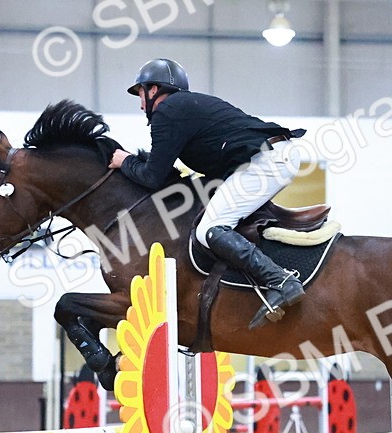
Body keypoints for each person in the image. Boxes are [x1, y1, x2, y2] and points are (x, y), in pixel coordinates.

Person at [109, 58, 306, 329]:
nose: (141, 104)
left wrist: (125, 161)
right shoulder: (183, 108)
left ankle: (280, 280)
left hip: (267, 161)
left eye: (140, 94)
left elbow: (152, 177)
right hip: (268, 158)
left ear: (153, 89)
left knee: (209, 229)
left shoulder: (168, 111)